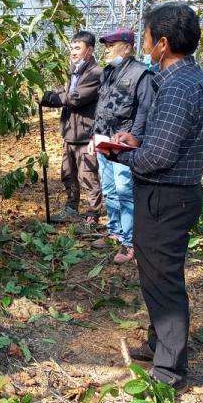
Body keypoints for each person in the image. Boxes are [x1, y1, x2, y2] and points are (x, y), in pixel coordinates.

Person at [98, 3, 203, 389]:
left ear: (163, 43)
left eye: (147, 38)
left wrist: (119, 153)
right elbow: (166, 141)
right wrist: (138, 140)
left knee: (164, 282)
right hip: (170, 196)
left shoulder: (178, 87)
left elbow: (158, 158)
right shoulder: (186, 79)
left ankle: (169, 373)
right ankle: (158, 344)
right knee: (155, 275)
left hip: (166, 198)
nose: (144, 45)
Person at [89, 27, 155, 264]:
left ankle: (130, 242)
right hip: (104, 140)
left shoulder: (141, 75)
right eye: (105, 47)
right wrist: (94, 136)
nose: (106, 51)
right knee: (109, 189)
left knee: (124, 190)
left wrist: (134, 138)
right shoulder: (108, 72)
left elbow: (145, 111)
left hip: (123, 144)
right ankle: (114, 232)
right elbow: (101, 107)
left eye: (111, 46)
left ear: (126, 48)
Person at [40, 31, 103, 231]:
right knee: (68, 173)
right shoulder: (74, 71)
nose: (73, 52)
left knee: (88, 176)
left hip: (85, 135)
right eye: (72, 48)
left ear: (90, 50)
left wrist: (49, 97)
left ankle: (92, 215)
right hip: (70, 133)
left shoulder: (95, 74)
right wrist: (46, 98)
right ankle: (71, 207)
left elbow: (75, 98)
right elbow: (66, 94)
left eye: (78, 48)